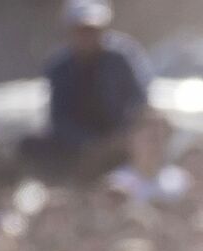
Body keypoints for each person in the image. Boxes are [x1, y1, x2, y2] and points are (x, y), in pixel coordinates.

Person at [20, 0, 152, 181]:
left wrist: (119, 137)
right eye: (82, 31)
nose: (87, 37)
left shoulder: (122, 59)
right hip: (79, 145)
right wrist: (88, 144)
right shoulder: (59, 67)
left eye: (92, 31)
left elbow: (139, 101)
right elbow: (58, 118)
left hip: (118, 138)